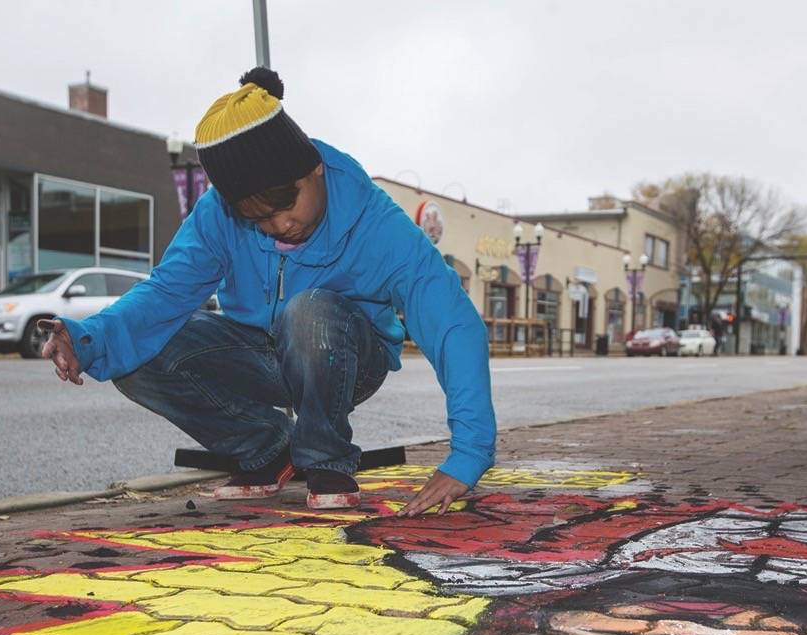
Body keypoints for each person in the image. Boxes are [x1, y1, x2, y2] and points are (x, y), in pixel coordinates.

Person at [40, 68, 495, 514]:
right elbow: (164, 294)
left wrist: (468, 454)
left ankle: (325, 456)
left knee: (309, 312)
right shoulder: (216, 215)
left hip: (343, 356)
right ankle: (265, 447)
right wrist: (92, 339)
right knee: (135, 350)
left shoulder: (376, 222)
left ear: (314, 168)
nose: (281, 225)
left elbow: (451, 322)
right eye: (257, 219)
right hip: (258, 352)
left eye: (285, 205)